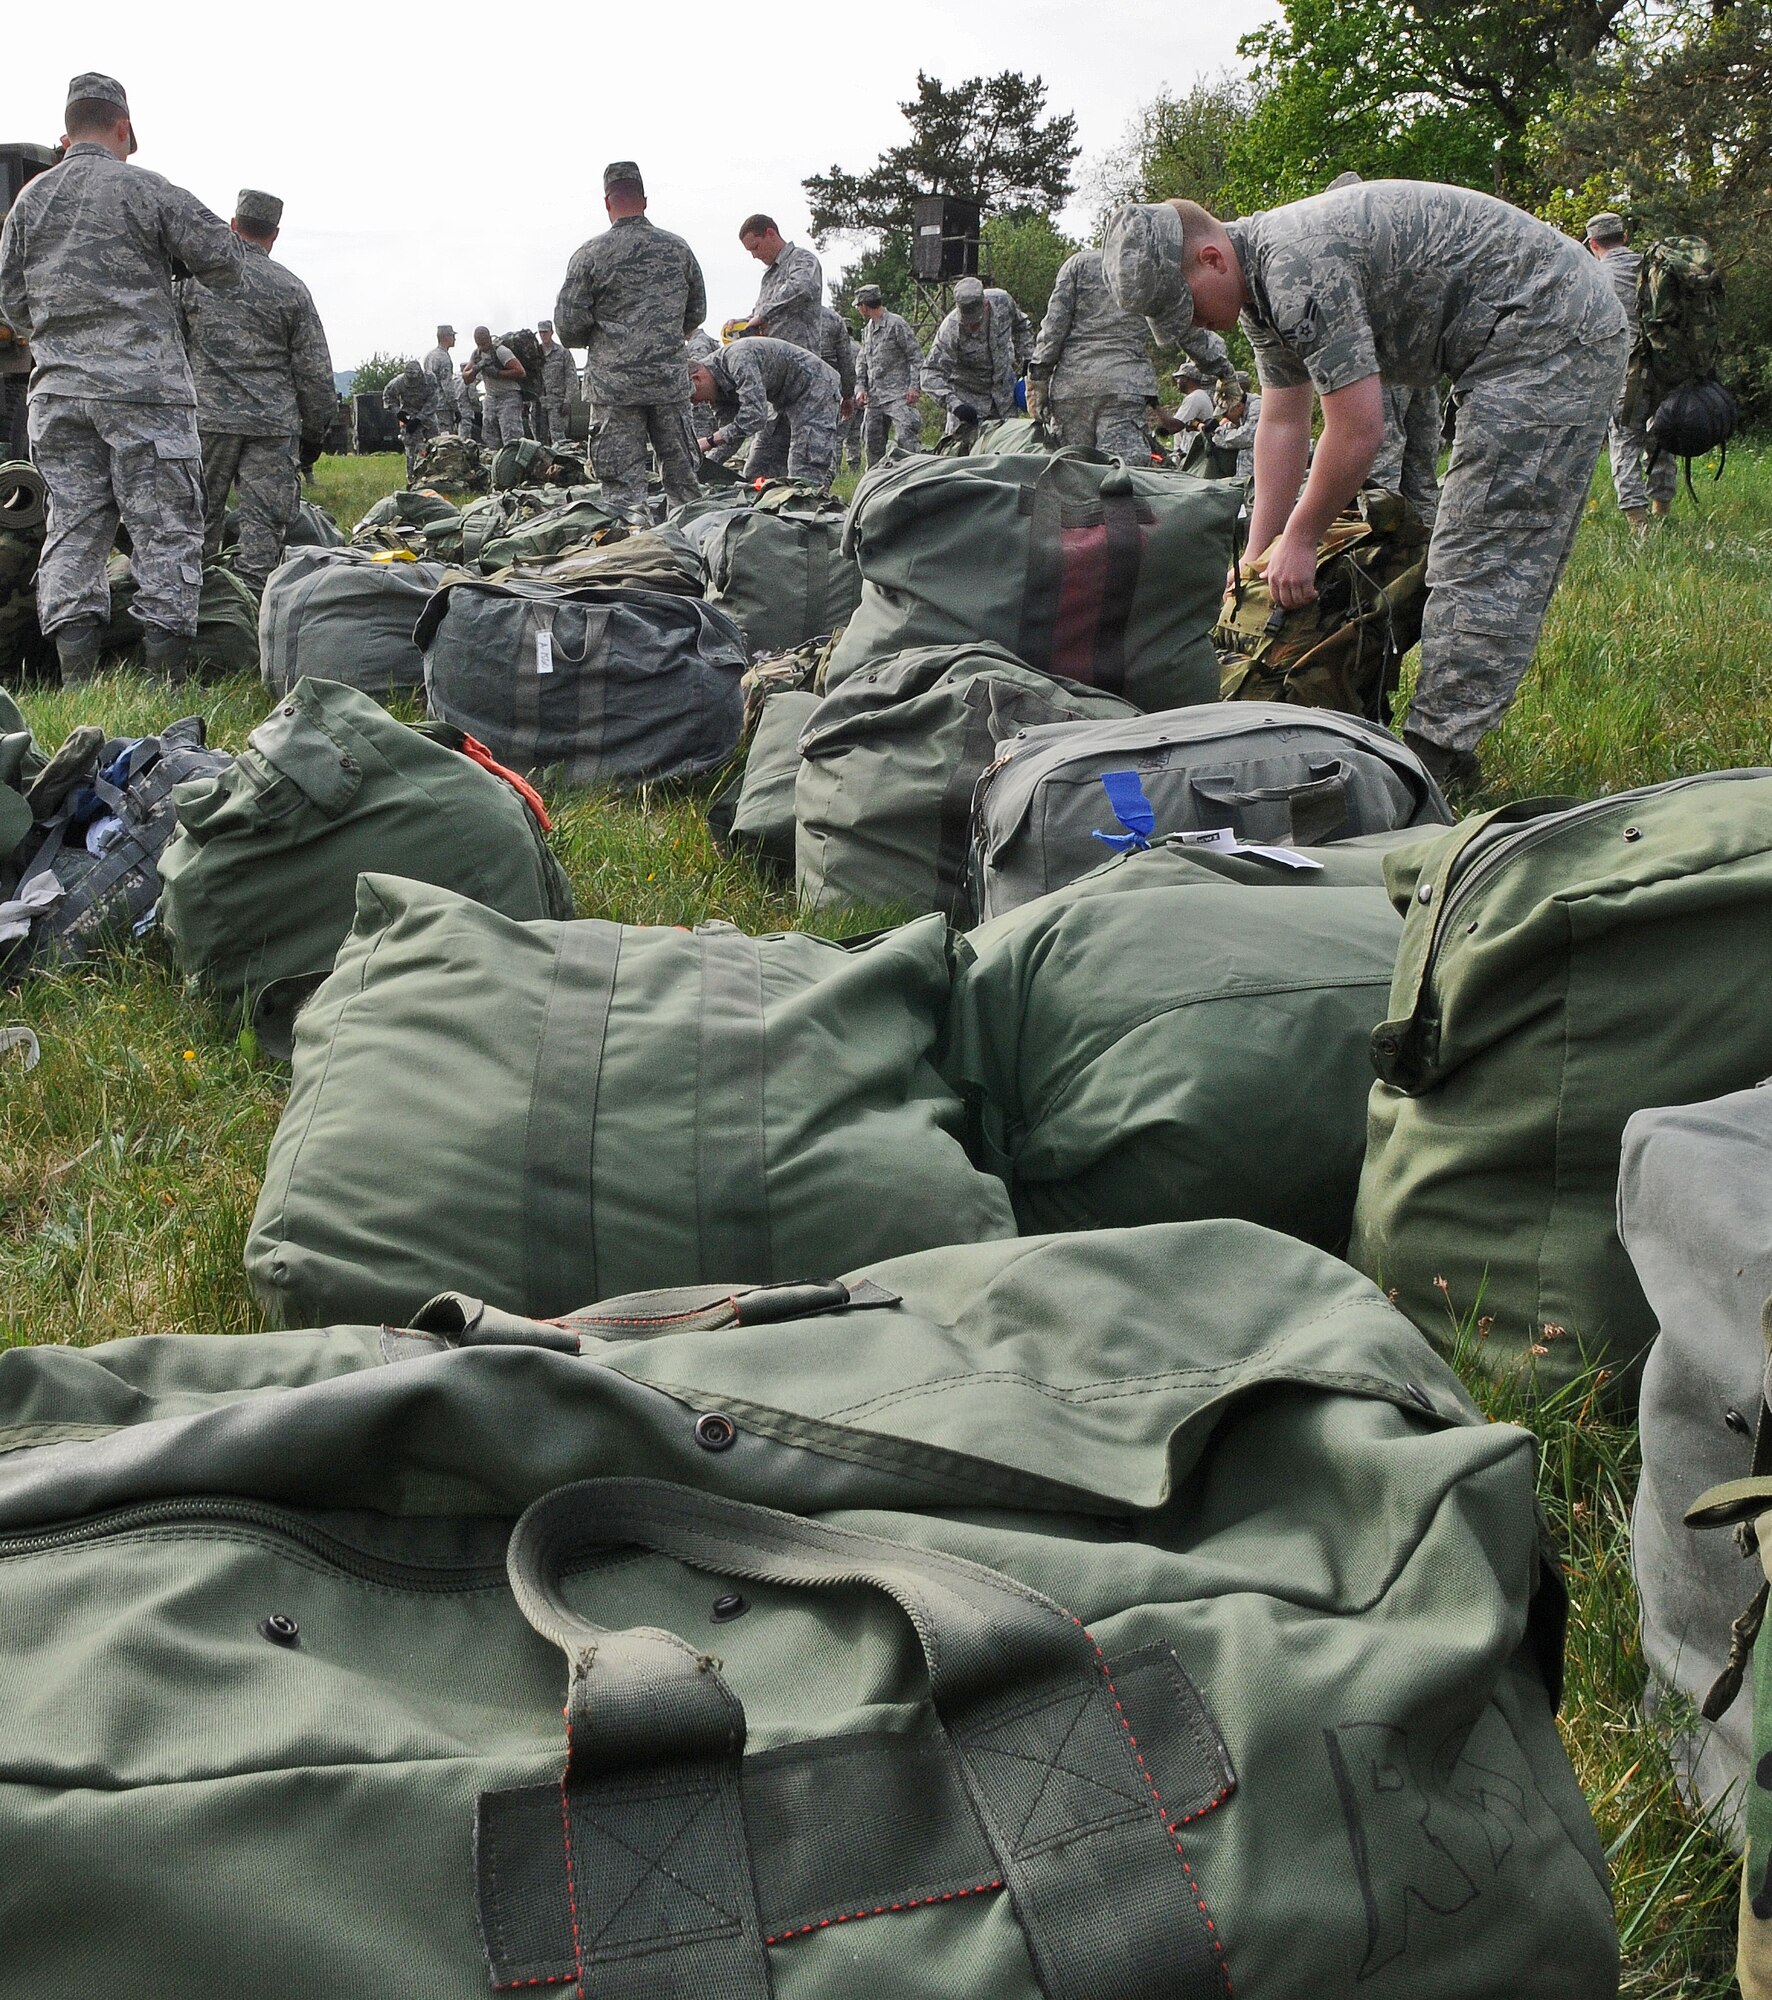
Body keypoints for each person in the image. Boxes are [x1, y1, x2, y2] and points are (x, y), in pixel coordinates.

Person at [1101, 183, 1629, 787]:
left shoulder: (1296, 269)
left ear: (1211, 259)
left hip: (1552, 329)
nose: (1192, 324)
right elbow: (1282, 420)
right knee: (1461, 543)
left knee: (1483, 549)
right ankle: (1432, 737)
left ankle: (1437, 759)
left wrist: (1301, 538)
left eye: (1187, 306)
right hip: (1505, 337)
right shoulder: (1260, 287)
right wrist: (1258, 552)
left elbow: (1357, 429)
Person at [0, 73, 244, 684]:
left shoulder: (29, 201)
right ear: (124, 127)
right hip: (145, 395)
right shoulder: (148, 191)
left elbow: (11, 302)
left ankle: (78, 681)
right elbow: (228, 263)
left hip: (58, 395)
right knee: (165, 529)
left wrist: (64, 338)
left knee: (74, 527)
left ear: (70, 126)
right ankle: (165, 681)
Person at [178, 189, 335, 596]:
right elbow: (315, 373)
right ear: (275, 234)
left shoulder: (194, 283)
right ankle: (251, 611)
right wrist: (314, 434)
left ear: (233, 225)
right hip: (272, 425)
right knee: (263, 529)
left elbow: (169, 347)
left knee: (198, 519)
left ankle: (199, 607)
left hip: (207, 421)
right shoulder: (291, 289)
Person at [555, 161, 707, 523]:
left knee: (622, 497)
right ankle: (695, 561)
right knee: (684, 487)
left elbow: (568, 326)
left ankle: (632, 568)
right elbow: (697, 312)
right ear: (645, 200)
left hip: (614, 389)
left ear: (607, 202)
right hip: (668, 384)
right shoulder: (678, 250)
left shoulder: (589, 255)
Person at [1587, 209, 1676, 530]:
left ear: (1594, 245)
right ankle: (1662, 512)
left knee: (1624, 443)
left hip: (1625, 374)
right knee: (1661, 438)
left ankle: (1639, 525)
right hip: (1665, 371)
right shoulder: (1654, 267)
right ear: (1625, 237)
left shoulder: (1594, 276)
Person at [1026, 247, 1155, 460]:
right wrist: (1221, 371)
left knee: (1073, 472)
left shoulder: (1078, 264)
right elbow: (1180, 322)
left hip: (1073, 385)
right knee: (1122, 473)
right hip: (1124, 383)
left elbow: (1053, 328)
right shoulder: (1148, 267)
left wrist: (1037, 379)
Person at [690, 337, 841, 488]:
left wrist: (709, 441)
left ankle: (811, 505)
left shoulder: (738, 359)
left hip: (814, 390)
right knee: (757, 473)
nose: (695, 403)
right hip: (782, 403)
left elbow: (755, 416)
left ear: (696, 379)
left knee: (804, 473)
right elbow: (730, 436)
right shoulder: (716, 389)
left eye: (692, 397)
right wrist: (703, 467)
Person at [739, 213, 824, 478]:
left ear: (770, 233)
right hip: (776, 387)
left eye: (755, 247)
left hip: (803, 380)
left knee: (802, 471)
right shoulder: (768, 278)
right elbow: (760, 312)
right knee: (757, 469)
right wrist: (743, 323)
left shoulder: (803, 261)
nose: (754, 256)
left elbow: (801, 289)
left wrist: (763, 313)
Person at [921, 276, 1029, 434]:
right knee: (962, 458)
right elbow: (929, 374)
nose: (971, 327)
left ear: (985, 304)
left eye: (975, 322)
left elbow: (1021, 326)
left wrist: (1029, 359)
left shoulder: (1002, 302)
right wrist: (955, 405)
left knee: (1006, 456)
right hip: (968, 408)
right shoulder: (950, 330)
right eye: (967, 323)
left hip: (1005, 403)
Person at [853, 283, 923, 463]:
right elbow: (862, 361)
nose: (859, 310)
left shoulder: (896, 324)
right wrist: (860, 388)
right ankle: (876, 484)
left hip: (898, 395)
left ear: (864, 305)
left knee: (907, 442)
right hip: (874, 399)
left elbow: (915, 356)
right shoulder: (868, 330)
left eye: (859, 306)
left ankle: (912, 477)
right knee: (872, 444)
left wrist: (914, 387)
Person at [1372, 381, 1443, 527]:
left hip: (1382, 369)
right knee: (1422, 483)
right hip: (1422, 368)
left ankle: (1385, 544)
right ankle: (1426, 542)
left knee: (1381, 486)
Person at [464, 325, 525, 449]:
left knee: (511, 436)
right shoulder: (477, 354)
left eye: (484, 343)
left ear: (489, 339)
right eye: (479, 344)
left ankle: (513, 462)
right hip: (491, 397)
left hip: (509, 396)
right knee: (489, 436)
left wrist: (498, 373)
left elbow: (520, 372)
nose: (482, 347)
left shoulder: (501, 351)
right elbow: (466, 377)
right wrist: (476, 368)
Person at [383, 358, 442, 481]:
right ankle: (412, 479)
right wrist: (399, 413)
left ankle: (435, 476)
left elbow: (433, 400)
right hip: (409, 415)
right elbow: (388, 396)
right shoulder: (398, 382)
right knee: (412, 449)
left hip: (428, 415)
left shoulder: (430, 379)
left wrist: (419, 419)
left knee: (435, 446)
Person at [818, 304, 859, 471]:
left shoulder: (828, 342)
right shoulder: (859, 347)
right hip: (860, 395)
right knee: (854, 435)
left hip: (839, 394)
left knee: (837, 436)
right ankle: (854, 466)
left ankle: (833, 469)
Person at [1209, 371, 1261, 481]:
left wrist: (1218, 434)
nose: (1225, 416)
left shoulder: (1257, 406)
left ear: (1238, 406)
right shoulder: (1241, 413)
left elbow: (1245, 437)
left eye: (1226, 412)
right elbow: (1231, 428)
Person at [536, 318, 576, 445]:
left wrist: (567, 401)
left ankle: (560, 464)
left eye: (545, 332)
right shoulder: (535, 353)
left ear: (551, 332)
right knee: (538, 441)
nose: (543, 335)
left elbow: (571, 378)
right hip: (538, 403)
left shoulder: (563, 353)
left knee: (559, 439)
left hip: (557, 402)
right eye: (540, 333)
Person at [685, 325, 720, 445]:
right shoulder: (703, 340)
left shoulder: (698, 343)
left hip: (702, 407)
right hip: (706, 401)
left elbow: (697, 367)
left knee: (700, 443)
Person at [424, 324, 458, 430]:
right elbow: (447, 386)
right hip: (443, 406)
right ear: (445, 337)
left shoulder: (429, 356)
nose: (455, 339)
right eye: (452, 336)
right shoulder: (444, 358)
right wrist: (456, 408)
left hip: (430, 404)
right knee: (445, 439)